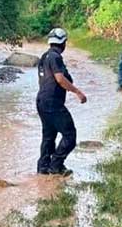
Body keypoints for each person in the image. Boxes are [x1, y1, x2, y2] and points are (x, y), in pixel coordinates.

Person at [36, 28, 87, 176]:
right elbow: (59, 79)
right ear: (63, 43)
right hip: (53, 103)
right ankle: (56, 165)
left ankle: (43, 168)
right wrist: (78, 92)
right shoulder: (55, 58)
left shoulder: (44, 57)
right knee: (70, 135)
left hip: (41, 101)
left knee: (48, 136)